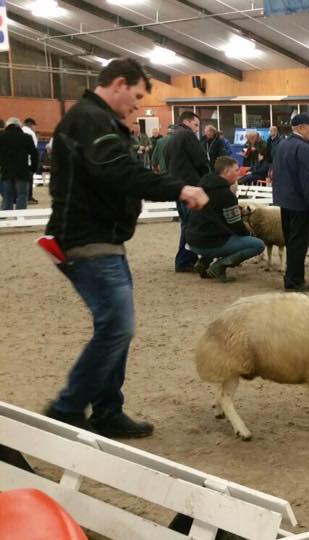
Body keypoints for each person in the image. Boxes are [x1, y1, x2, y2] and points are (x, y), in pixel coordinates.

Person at [42, 58, 208, 438]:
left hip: (104, 239)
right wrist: (179, 188)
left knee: (115, 326)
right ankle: (66, 409)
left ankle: (106, 410)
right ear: (117, 84)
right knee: (117, 327)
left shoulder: (97, 121)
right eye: (134, 98)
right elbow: (117, 172)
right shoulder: (91, 120)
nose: (136, 107)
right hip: (87, 239)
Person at [186, 156, 265, 282]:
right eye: (236, 170)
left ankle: (203, 262)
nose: (239, 173)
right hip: (209, 243)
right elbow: (235, 225)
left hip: (191, 241)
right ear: (226, 172)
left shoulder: (202, 186)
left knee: (218, 231)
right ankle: (219, 266)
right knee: (257, 245)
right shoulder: (226, 195)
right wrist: (250, 234)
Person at [272, 113, 309, 292]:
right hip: (300, 204)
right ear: (301, 127)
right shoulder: (304, 148)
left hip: (285, 202)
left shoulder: (282, 145)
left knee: (291, 240)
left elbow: (276, 174)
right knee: (298, 243)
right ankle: (295, 280)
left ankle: (291, 277)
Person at [166, 111, 210, 273]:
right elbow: (200, 160)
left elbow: (167, 161)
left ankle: (185, 260)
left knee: (186, 225)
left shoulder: (172, 137)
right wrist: (208, 178)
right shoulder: (188, 136)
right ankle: (186, 261)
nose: (197, 129)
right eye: (196, 125)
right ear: (187, 121)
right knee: (193, 225)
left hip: (177, 187)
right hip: (191, 187)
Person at [0, 118, 39, 210]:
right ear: (19, 126)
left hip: (6, 170)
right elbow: (34, 154)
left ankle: (5, 217)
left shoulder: (1, 137)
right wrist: (32, 168)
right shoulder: (26, 137)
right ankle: (20, 218)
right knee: (22, 194)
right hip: (22, 171)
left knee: (7, 195)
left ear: (7, 126)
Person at [22, 118, 40, 204]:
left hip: (19, 161)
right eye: (34, 126)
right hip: (28, 161)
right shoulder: (31, 133)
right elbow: (34, 149)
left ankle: (22, 197)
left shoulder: (21, 130)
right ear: (30, 124)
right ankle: (28, 197)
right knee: (29, 179)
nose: (35, 128)